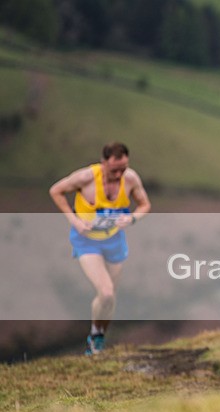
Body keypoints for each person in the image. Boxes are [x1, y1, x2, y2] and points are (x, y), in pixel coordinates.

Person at [49, 142, 151, 355]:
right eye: (114, 170)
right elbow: (56, 191)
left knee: (110, 298)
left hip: (114, 240)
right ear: (104, 163)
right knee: (105, 292)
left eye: (123, 168)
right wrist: (74, 220)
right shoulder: (85, 178)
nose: (119, 174)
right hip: (87, 241)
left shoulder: (131, 179)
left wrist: (132, 218)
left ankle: (99, 336)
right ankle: (95, 339)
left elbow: (145, 205)